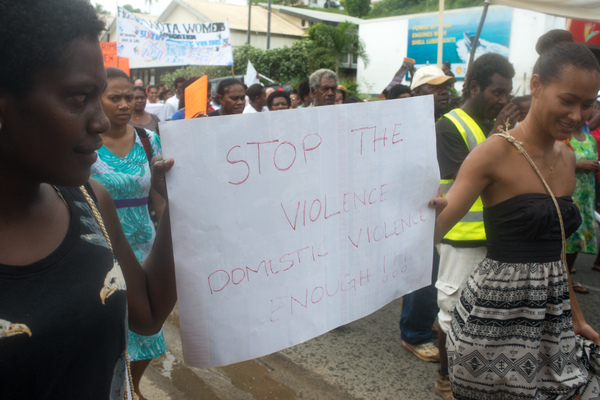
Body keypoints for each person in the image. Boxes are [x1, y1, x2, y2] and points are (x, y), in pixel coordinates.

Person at [0, 1, 176, 398]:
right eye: (79, 98)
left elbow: (145, 316)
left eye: (100, 97)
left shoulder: (90, 201)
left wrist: (182, 205)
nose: (100, 121)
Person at [431, 31, 600, 399]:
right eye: (567, 101)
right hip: (494, 317)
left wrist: (577, 315)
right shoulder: (495, 152)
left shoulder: (568, 158)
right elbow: (436, 225)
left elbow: (555, 246)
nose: (577, 115)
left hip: (551, 314)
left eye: (588, 104)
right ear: (536, 85)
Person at [434, 52, 519, 400]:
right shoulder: (448, 125)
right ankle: (444, 376)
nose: (503, 101)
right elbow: (463, 179)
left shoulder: (496, 125)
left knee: (489, 313)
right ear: (474, 87)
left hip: (497, 237)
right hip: (460, 237)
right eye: (497, 93)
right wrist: (499, 135)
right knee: (451, 314)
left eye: (507, 94)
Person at [92, 68, 168, 400]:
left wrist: (170, 237)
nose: (125, 104)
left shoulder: (149, 140)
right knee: (108, 320)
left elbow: (161, 194)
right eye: (115, 98)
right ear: (97, 99)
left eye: (130, 97)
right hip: (102, 244)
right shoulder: (85, 142)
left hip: (145, 243)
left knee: (150, 322)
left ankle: (132, 385)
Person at [398, 65, 456, 367]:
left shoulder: (444, 124)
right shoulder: (405, 128)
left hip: (443, 212)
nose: (442, 91)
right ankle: (415, 334)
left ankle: (426, 321)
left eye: (445, 86)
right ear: (417, 94)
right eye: (434, 88)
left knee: (436, 275)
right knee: (422, 274)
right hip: (418, 212)